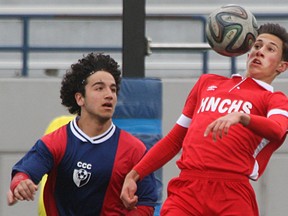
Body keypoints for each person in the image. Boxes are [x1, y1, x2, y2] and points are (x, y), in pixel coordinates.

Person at [120, 23, 288, 216]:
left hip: (232, 193)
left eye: (270, 49)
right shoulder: (207, 83)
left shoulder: (275, 99)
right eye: (257, 46)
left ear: (282, 66)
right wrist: (134, 174)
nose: (260, 52)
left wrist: (242, 117)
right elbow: (174, 140)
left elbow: (278, 129)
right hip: (187, 191)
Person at [7, 53, 158, 215]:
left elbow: (146, 202)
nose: (109, 94)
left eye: (113, 89)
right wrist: (21, 183)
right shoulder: (56, 142)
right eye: (99, 88)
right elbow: (24, 173)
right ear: (80, 98)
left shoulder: (135, 149)